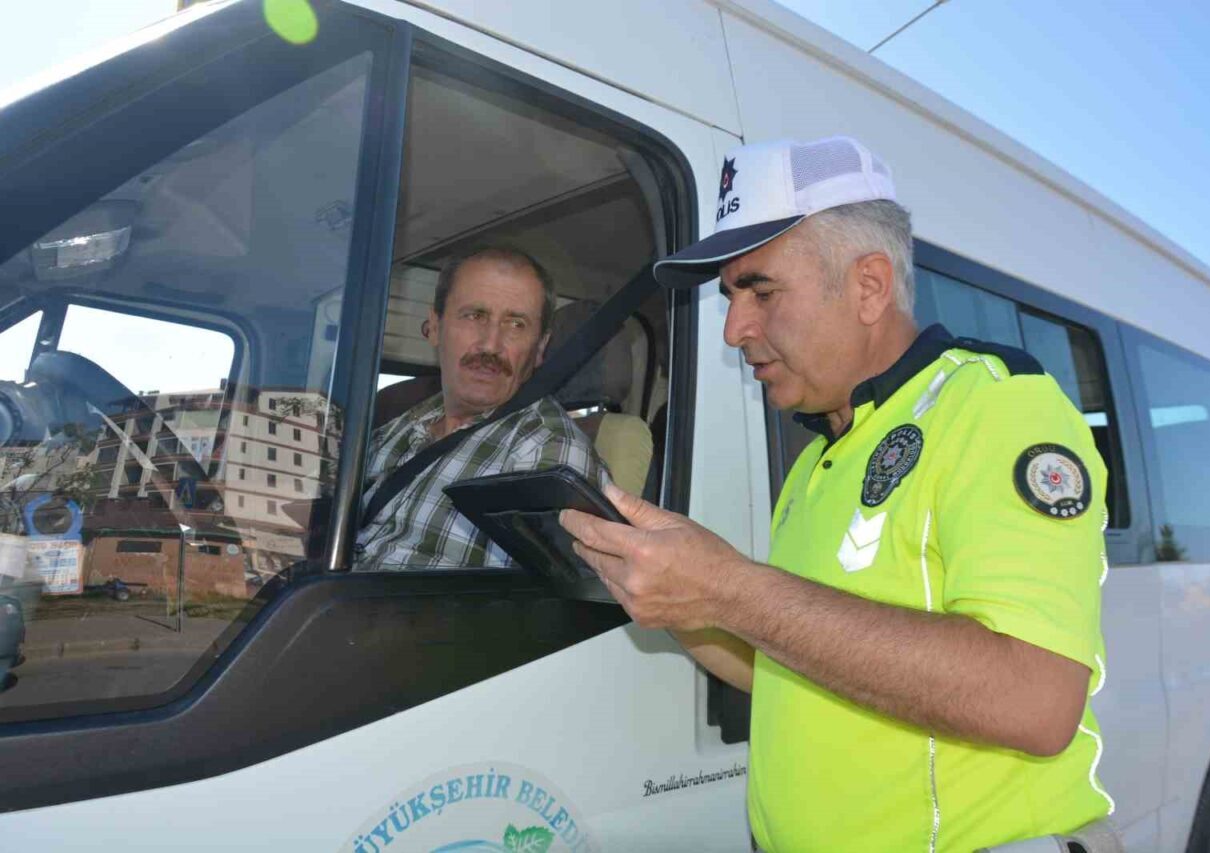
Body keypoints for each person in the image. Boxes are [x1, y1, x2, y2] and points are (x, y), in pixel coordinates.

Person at [560, 137, 1114, 852]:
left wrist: (732, 588)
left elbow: (1036, 698)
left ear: (870, 286)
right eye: (730, 295)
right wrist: (671, 594)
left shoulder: (995, 407)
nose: (734, 329)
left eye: (760, 290)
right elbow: (792, 658)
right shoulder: (823, 454)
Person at [357, 246, 608, 570]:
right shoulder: (404, 421)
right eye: (474, 316)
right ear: (434, 326)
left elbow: (536, 613)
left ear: (540, 347)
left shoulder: (548, 453)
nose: (491, 344)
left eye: (516, 324)